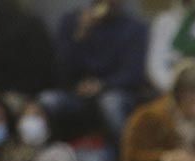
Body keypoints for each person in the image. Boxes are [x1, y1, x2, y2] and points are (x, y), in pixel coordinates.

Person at [42, 0, 150, 139]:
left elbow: (133, 74)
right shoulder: (71, 22)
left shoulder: (135, 28)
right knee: (47, 100)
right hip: (77, 93)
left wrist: (102, 85)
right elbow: (59, 70)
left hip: (115, 92)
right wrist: (79, 35)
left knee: (111, 103)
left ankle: (125, 156)